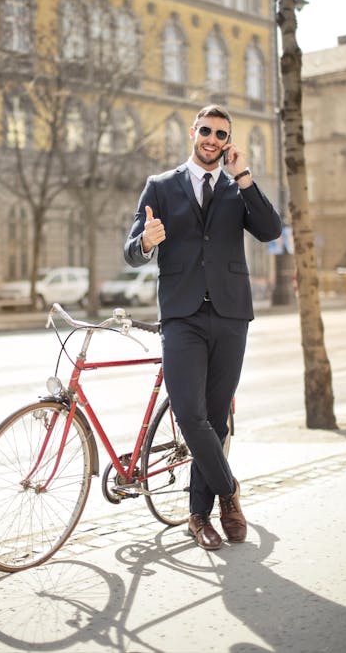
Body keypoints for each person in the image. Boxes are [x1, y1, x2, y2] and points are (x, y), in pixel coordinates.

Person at [124, 104, 282, 551]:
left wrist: (245, 177)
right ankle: (230, 493)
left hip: (231, 315)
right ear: (193, 132)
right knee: (189, 414)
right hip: (182, 315)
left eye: (221, 135)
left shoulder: (238, 188)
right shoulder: (160, 186)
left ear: (228, 142)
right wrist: (145, 242)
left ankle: (199, 516)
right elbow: (130, 250)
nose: (212, 139)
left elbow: (270, 231)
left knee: (216, 419)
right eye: (207, 130)